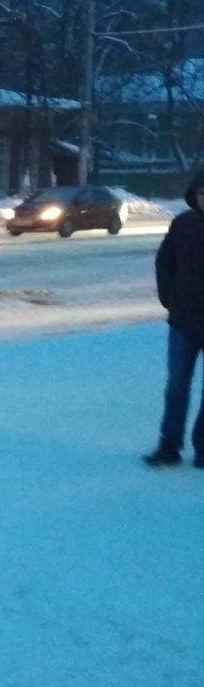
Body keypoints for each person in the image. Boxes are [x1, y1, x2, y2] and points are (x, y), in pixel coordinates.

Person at [146, 171, 204, 467]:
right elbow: (164, 262)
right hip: (183, 322)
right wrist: (170, 299)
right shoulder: (183, 224)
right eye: (201, 192)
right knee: (176, 386)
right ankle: (169, 445)